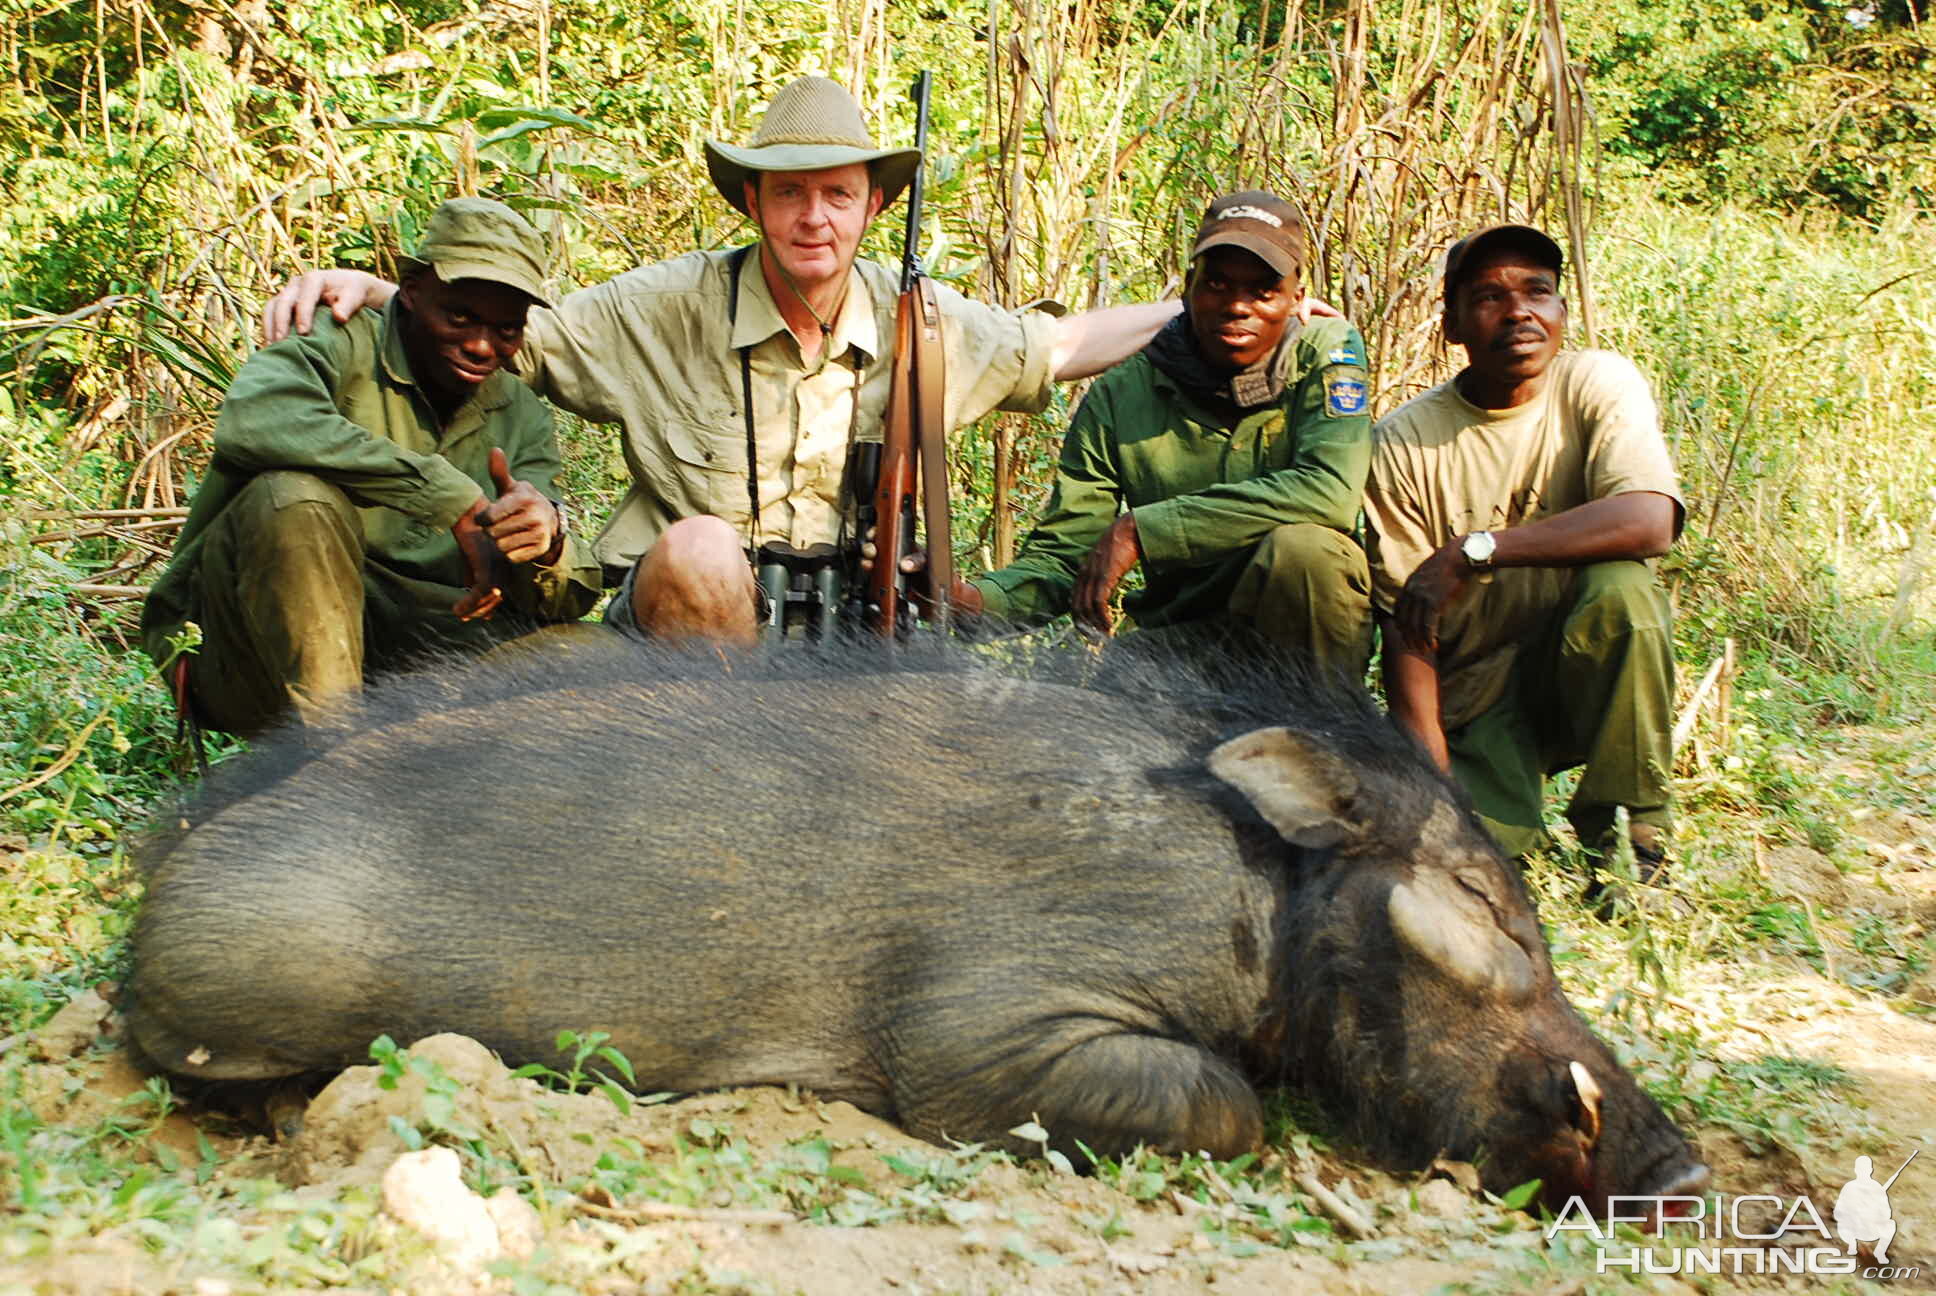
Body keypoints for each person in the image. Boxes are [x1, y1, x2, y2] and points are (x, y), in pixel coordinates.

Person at [263, 78, 1316, 644]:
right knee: (702, 551)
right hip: (690, 626)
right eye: (789, 193)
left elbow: (1064, 343)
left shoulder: (928, 320)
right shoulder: (662, 303)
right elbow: (501, 331)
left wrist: (1227, 306)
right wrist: (376, 289)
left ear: (874, 205)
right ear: (753, 202)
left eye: (839, 194)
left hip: (855, 620)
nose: (814, 217)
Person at [142, 198, 602, 735]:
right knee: (293, 497)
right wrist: (446, 494)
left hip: (420, 655)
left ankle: (398, 765)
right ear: (407, 293)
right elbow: (255, 420)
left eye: (506, 330)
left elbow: (569, 594)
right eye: (459, 317)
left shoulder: (519, 412)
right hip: (251, 654)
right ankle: (342, 767)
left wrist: (545, 541)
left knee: (609, 661)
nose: (481, 345)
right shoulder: (332, 338)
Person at [1363, 224, 1683, 892]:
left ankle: (1633, 842)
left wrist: (1476, 549)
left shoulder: (1597, 383)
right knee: (1474, 868)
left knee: (1624, 592)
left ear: (1561, 311)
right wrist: (1436, 787)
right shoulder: (1402, 443)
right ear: (1452, 324)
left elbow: (1650, 521)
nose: (1518, 313)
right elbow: (1405, 630)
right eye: (1488, 296)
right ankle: (1492, 806)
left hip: (1579, 668)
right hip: (1476, 694)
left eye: (1538, 291)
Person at [936, 191, 1373, 679]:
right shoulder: (1123, 394)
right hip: (1179, 644)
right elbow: (1066, 557)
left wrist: (1142, 530)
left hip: (1297, 636)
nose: (1237, 306)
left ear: (1296, 298)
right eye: (1218, 284)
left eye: (1262, 291)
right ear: (1188, 288)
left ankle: (1332, 742)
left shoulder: (1326, 352)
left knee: (1307, 554)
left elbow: (1329, 490)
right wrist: (972, 601)